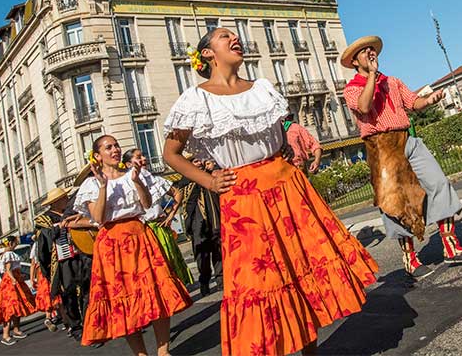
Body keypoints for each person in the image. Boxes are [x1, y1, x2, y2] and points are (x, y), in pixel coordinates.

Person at [163, 27, 378, 356]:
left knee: (300, 270)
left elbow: (282, 126)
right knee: (261, 283)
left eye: (236, 36)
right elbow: (171, 153)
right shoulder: (196, 100)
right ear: (207, 53)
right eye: (224, 37)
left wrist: (296, 132)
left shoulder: (262, 88)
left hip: (286, 185)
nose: (235, 39)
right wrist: (207, 181)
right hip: (244, 199)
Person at [342, 36, 462, 280]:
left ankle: (450, 245)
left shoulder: (393, 82)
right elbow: (365, 107)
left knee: (439, 183)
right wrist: (373, 77)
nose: (370, 53)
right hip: (381, 147)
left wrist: (428, 100)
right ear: (355, 61)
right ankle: (410, 259)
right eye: (364, 52)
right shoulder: (352, 89)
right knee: (394, 202)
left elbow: (412, 102)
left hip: (407, 140)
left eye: (371, 50)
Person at [75, 135, 192, 355]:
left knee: (156, 291)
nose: (115, 149)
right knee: (123, 301)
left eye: (116, 145)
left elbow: (146, 205)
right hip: (111, 244)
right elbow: (99, 218)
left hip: (139, 235)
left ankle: (163, 350)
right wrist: (102, 186)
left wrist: (137, 181)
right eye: (108, 147)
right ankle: (140, 354)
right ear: (98, 155)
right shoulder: (91, 184)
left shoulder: (134, 174)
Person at [121, 148, 194, 286]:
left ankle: (175, 292)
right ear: (128, 164)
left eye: (143, 155)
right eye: (138, 157)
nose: (144, 159)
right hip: (142, 231)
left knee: (169, 260)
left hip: (160, 227)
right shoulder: (125, 184)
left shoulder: (155, 179)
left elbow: (177, 194)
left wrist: (170, 214)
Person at [34, 187, 94, 340]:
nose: (67, 199)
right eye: (63, 198)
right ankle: (75, 327)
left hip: (80, 254)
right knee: (69, 293)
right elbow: (44, 241)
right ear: (55, 202)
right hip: (63, 261)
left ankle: (89, 323)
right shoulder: (45, 219)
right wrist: (59, 228)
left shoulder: (73, 211)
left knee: (86, 289)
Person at [176, 158, 223, 296]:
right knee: (202, 254)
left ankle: (221, 281)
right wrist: (199, 177)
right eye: (195, 161)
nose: (199, 163)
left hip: (214, 218)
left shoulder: (211, 175)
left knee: (218, 250)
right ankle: (204, 282)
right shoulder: (186, 180)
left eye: (200, 161)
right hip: (198, 222)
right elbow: (187, 200)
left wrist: (211, 171)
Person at [0, 236, 35, 346]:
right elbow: (8, 269)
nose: (16, 245)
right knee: (10, 308)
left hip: (11, 281)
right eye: (15, 243)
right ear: (10, 243)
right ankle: (6, 335)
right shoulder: (8, 255)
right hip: (10, 283)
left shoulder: (4, 255)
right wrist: (13, 279)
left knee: (16, 307)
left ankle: (16, 330)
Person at [29, 237, 61, 332]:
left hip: (40, 272)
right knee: (53, 291)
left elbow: (33, 264)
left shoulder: (35, 246)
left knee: (46, 293)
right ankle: (59, 317)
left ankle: (49, 317)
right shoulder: (47, 241)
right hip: (48, 269)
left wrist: (32, 278)